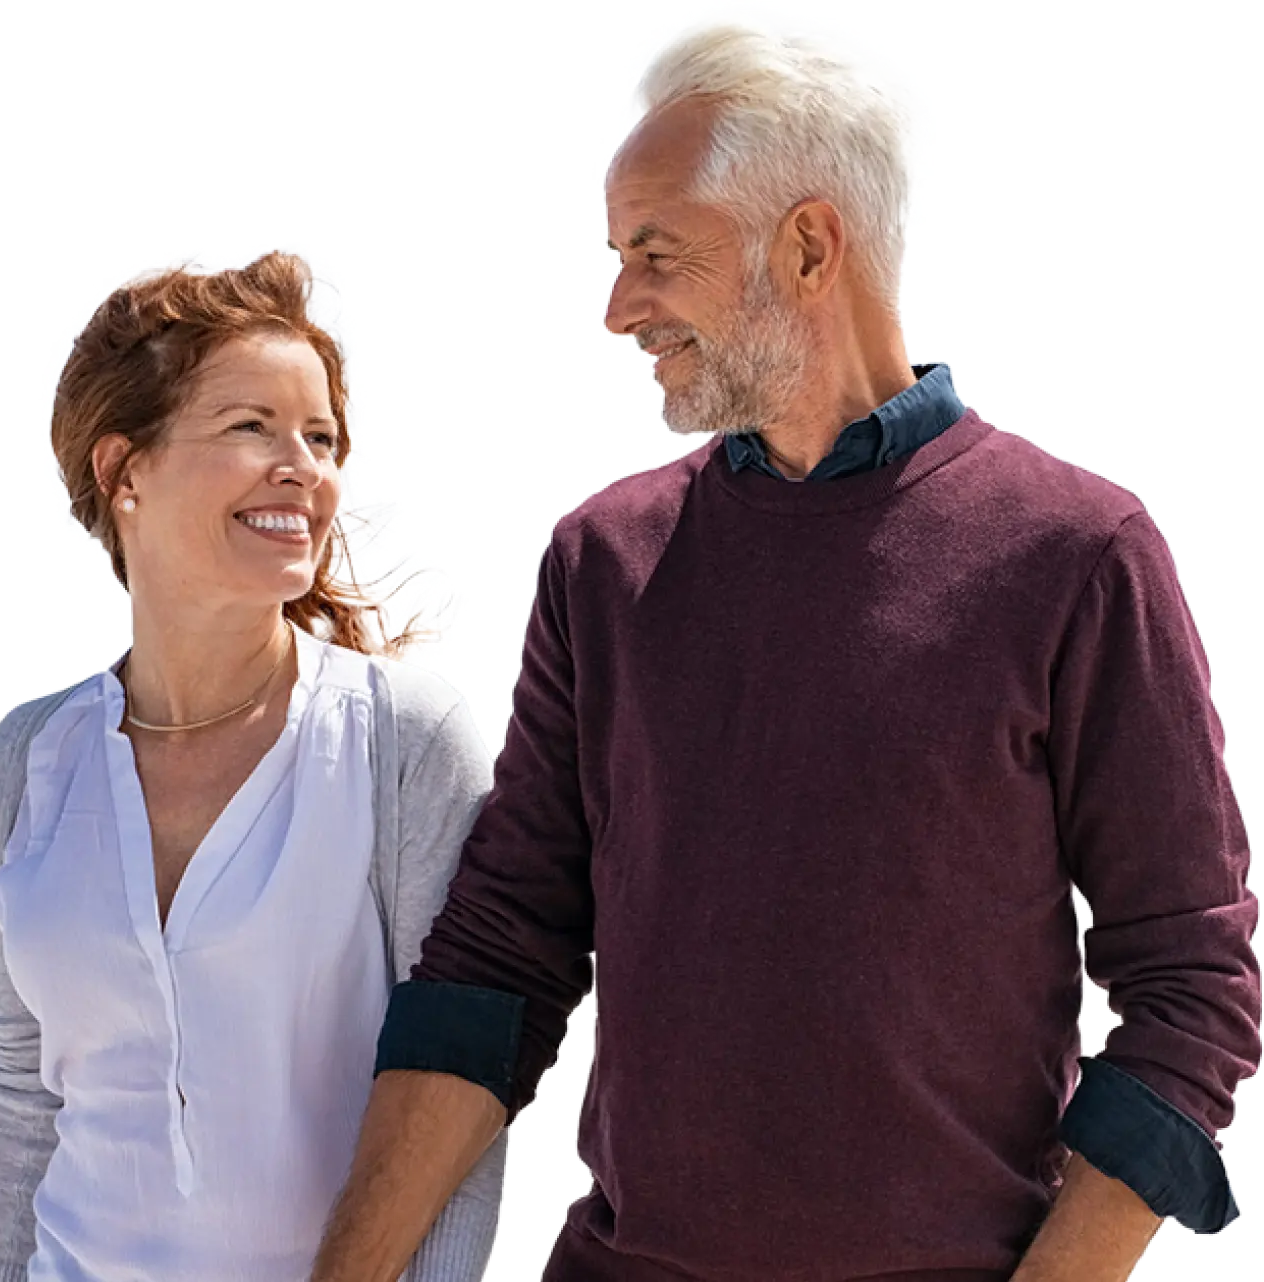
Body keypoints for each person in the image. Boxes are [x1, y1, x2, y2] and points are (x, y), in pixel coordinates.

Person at [338, 10, 1258, 1282]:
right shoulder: (604, 559)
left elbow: (1191, 992)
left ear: (810, 243)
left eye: (655, 253)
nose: (618, 308)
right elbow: (499, 956)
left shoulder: (1077, 551)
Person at [0, 250, 509, 1281]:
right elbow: (25, 1092)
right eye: (251, 426)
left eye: (321, 436)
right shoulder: (20, 761)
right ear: (124, 472)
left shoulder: (404, 740)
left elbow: (456, 1093)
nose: (304, 467)